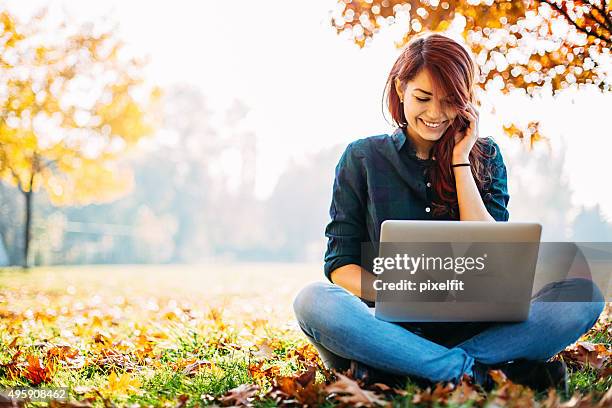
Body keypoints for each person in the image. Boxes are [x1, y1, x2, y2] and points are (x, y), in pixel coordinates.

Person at [292, 32, 605, 392]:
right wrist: (398, 294)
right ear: (399, 88)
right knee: (313, 301)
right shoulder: (361, 158)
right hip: (385, 329)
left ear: (466, 101)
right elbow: (339, 264)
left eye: (450, 101)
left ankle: (416, 370)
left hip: (475, 327)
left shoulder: (485, 156)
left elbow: (493, 251)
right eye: (422, 98)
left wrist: (460, 160)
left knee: (583, 296)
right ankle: (476, 374)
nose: (436, 114)